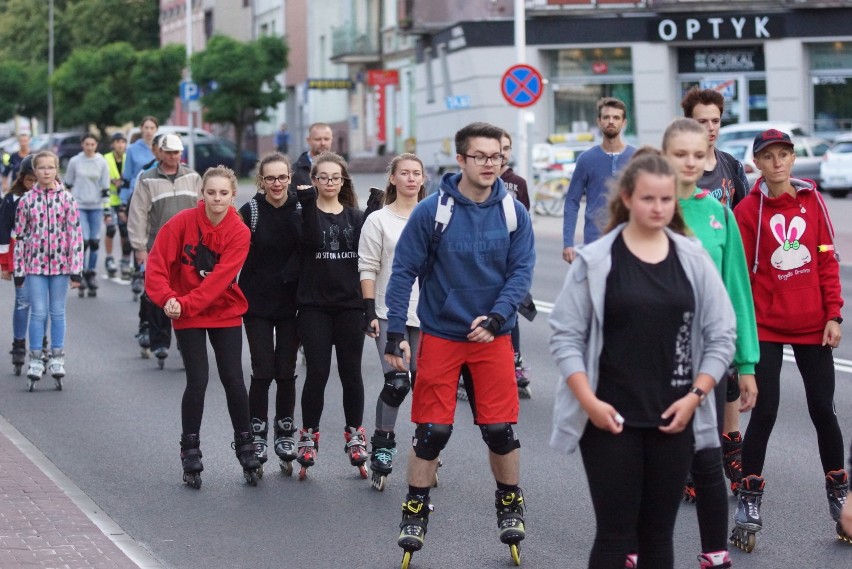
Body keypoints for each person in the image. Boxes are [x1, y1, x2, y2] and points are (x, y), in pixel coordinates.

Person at [549, 151, 736, 569]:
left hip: (674, 417)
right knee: (616, 536)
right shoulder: (597, 260)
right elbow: (564, 336)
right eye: (648, 199)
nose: (658, 208)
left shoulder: (691, 258)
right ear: (628, 199)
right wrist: (590, 404)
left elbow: (722, 333)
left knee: (657, 536)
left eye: (666, 200)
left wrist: (696, 396)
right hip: (610, 419)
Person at [384, 122, 534, 564]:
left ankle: (509, 501)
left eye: (497, 157)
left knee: (499, 431)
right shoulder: (433, 212)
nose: (490, 164)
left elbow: (520, 273)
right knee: (432, 432)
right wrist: (395, 331)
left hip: (493, 336)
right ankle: (415, 506)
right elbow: (403, 274)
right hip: (443, 334)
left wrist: (498, 316)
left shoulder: (514, 213)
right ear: (462, 159)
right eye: (480, 156)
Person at [731, 129, 846, 550]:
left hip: (813, 324)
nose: (777, 162)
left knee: (823, 411)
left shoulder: (812, 202)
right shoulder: (746, 212)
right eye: (769, 156)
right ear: (758, 164)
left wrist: (833, 314)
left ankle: (839, 495)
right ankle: (748, 498)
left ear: (793, 159)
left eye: (784, 155)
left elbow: (826, 262)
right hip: (765, 326)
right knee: (764, 412)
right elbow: (739, 279)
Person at [661, 118, 759, 568]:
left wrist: (747, 362)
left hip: (707, 359)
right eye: (680, 153)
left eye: (697, 155)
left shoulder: (718, 214)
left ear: (707, 159)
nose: (689, 162)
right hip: (653, 358)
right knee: (656, 461)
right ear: (664, 156)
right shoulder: (647, 208)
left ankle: (714, 555)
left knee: (708, 459)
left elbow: (735, 289)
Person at [145, 165, 261, 488]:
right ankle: (190, 449)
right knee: (197, 379)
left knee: (233, 378)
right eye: (211, 192)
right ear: (202, 193)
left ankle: (246, 444)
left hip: (222, 310)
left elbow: (218, 284)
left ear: (233, 195)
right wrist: (167, 297)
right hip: (186, 313)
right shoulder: (180, 224)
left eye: (224, 193)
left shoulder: (239, 233)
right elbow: (156, 266)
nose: (217, 199)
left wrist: (183, 303)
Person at [681, 86, 755, 495]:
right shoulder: (683, 173)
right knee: (694, 381)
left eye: (715, 121)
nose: (710, 129)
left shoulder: (730, 166)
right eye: (702, 121)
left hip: (724, 286)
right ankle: (692, 463)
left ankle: (731, 451)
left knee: (728, 379)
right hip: (685, 296)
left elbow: (741, 221)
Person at [293, 151, 366, 480]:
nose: (329, 183)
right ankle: (309, 434)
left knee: (351, 372)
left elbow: (369, 261)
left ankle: (354, 434)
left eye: (335, 177)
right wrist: (308, 203)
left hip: (350, 305)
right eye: (322, 177)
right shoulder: (305, 213)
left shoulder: (356, 217)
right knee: (318, 373)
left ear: (343, 181)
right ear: (314, 180)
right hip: (314, 306)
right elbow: (307, 240)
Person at [358, 152, 426, 491]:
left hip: (428, 314)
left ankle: (427, 445)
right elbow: (368, 266)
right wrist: (369, 310)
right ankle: (383, 448)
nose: (411, 179)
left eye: (417, 173)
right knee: (397, 383)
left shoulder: (433, 218)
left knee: (427, 385)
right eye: (405, 173)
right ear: (393, 179)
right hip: (388, 311)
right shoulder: (378, 220)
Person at [238, 153, 302, 476]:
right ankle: (257, 433)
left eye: (282, 177)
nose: (277, 184)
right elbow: (228, 247)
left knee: (286, 369)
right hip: (256, 303)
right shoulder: (249, 212)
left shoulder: (302, 210)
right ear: (260, 181)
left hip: (292, 303)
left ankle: (285, 430)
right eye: (270, 179)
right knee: (262, 368)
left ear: (290, 178)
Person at [13, 151, 84, 390]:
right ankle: (35, 358)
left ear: (56, 170)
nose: (45, 172)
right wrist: (19, 269)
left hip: (61, 267)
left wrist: (76, 270)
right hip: (35, 266)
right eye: (41, 168)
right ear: (34, 171)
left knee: (57, 311)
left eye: (50, 168)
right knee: (38, 312)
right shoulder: (26, 201)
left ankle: (56, 357)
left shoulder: (67, 199)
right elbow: (20, 237)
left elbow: (75, 235)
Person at [128, 134, 201, 367]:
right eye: (169, 152)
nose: (173, 157)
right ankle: (160, 342)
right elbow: (138, 214)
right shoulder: (147, 180)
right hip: (158, 247)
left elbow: (203, 209)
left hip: (189, 249)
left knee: (187, 295)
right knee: (160, 295)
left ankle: (185, 343)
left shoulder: (192, 177)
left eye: (177, 152)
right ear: (160, 152)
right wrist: (140, 248)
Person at [562, 97, 637, 263]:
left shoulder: (637, 158)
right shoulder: (586, 159)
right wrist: (568, 243)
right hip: (594, 241)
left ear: (624, 123)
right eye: (606, 117)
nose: (611, 121)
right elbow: (572, 202)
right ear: (599, 121)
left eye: (616, 118)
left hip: (630, 240)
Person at [499, 130, 534, 398]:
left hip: (511, 257)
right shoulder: (476, 182)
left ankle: (515, 361)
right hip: (484, 257)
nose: (501, 153)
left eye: (506, 148)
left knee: (511, 309)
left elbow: (525, 222)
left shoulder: (517, 183)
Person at [0, 155, 36, 374]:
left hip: (45, 256)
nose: (32, 184)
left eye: (36, 180)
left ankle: (40, 344)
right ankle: (19, 343)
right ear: (22, 178)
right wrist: (4, 264)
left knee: (42, 305)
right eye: (29, 180)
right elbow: (3, 230)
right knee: (23, 301)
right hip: (19, 253)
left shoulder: (54, 196)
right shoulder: (11, 199)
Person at [64, 133, 110, 298]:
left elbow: (105, 187)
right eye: (86, 144)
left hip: (96, 205)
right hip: (79, 205)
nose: (89, 147)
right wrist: (65, 206)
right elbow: (67, 184)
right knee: (83, 240)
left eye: (92, 144)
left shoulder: (102, 162)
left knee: (95, 241)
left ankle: (91, 273)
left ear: (96, 145)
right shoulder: (75, 161)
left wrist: (107, 210)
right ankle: (81, 272)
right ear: (82, 145)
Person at [103, 132, 130, 279]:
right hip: (109, 200)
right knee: (111, 229)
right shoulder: (106, 159)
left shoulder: (128, 158)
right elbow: (101, 178)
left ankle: (125, 261)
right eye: (117, 142)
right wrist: (112, 180)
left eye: (122, 142)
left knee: (125, 231)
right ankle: (109, 258)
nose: (120, 145)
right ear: (112, 144)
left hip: (124, 201)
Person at [122, 116, 158, 204]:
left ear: (156, 129)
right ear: (141, 129)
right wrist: (123, 201)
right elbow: (127, 176)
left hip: (156, 191)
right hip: (138, 191)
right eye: (146, 127)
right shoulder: (132, 149)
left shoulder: (161, 149)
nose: (149, 131)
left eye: (152, 128)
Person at [291, 123, 333, 189]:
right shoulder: (295, 171)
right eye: (318, 139)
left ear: (331, 140)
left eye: (326, 139)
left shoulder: (340, 168)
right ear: (308, 140)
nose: (323, 143)